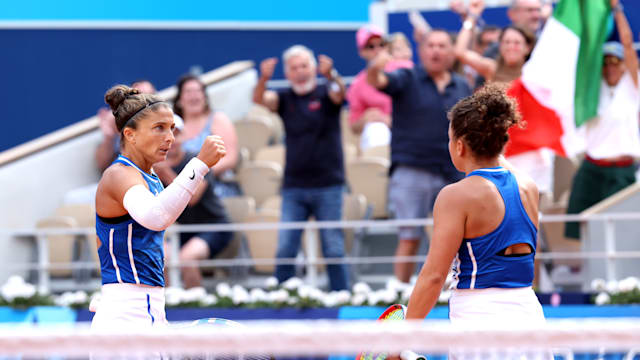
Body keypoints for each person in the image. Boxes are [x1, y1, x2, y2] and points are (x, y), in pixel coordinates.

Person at [406, 83, 545, 330]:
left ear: (459, 145)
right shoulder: (529, 187)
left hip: (478, 319)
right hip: (529, 314)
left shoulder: (455, 196)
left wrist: (400, 337)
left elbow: (434, 276)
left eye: (450, 139)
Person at [92, 84, 226, 330]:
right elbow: (156, 216)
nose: (170, 138)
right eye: (159, 128)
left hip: (146, 307)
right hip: (126, 315)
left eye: (172, 129)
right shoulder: (118, 175)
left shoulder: (150, 176)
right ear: (130, 134)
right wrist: (200, 164)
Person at [368, 30, 472, 283]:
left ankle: (452, 293)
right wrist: (377, 64)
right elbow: (377, 80)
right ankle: (399, 294)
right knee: (409, 237)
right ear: (422, 51)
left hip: (453, 173)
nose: (436, 50)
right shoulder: (407, 78)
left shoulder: (462, 85)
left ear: (451, 52)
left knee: (455, 240)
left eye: (442, 45)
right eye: (431, 45)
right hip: (412, 170)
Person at [253, 45, 349, 291]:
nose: (300, 72)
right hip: (294, 185)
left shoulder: (326, 92)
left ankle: (343, 296)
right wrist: (263, 78)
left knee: (333, 248)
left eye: (304, 66)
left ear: (314, 68)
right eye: (294, 68)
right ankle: (282, 296)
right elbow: (260, 100)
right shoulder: (284, 98)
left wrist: (331, 75)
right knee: (286, 246)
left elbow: (341, 94)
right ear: (287, 73)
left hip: (329, 183)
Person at [565, 0, 639, 240]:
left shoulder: (633, 87)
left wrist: (617, 10)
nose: (610, 67)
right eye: (605, 62)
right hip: (592, 166)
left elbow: (627, 45)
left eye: (615, 62)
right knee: (580, 226)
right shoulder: (590, 89)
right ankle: (586, 274)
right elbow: (581, 54)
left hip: (623, 169)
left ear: (624, 66)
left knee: (623, 232)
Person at [155, 115, 233, 288]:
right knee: (160, 258)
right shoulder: (155, 168)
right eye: (165, 132)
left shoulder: (198, 161)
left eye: (176, 132)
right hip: (181, 231)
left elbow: (191, 198)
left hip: (213, 227)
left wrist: (165, 173)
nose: (171, 138)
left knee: (186, 259)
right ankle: (168, 306)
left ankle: (194, 307)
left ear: (183, 137)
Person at [346, 25, 413, 151]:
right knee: (376, 129)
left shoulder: (405, 69)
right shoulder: (357, 84)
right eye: (370, 46)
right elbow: (354, 126)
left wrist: (390, 120)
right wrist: (366, 118)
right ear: (362, 52)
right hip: (381, 138)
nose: (377, 50)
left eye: (381, 44)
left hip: (410, 135)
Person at [173, 75, 239, 197]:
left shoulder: (218, 119)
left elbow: (231, 158)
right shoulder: (174, 126)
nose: (194, 96)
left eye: (198, 91)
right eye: (188, 92)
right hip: (181, 188)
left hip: (218, 187)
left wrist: (199, 176)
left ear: (205, 97)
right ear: (180, 99)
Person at [95, 80, 157, 173]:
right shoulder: (116, 123)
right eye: (137, 97)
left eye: (147, 97)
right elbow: (102, 165)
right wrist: (108, 137)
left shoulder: (162, 124)